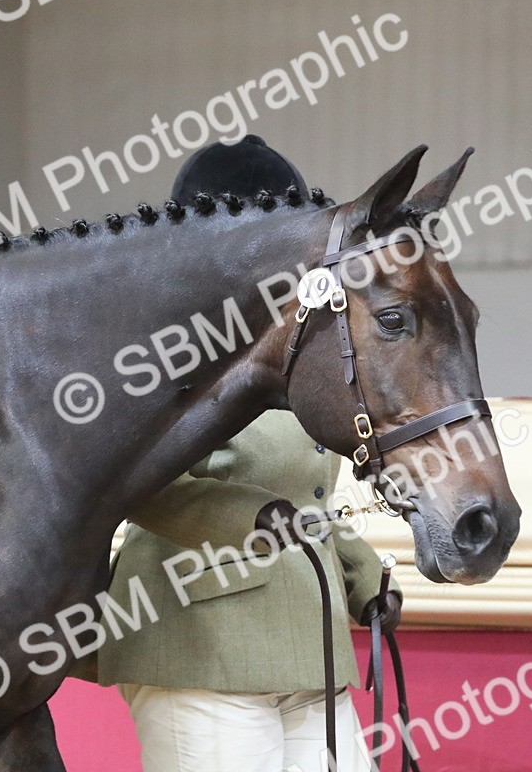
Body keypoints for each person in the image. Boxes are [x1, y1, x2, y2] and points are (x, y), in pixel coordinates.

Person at [95, 136, 402, 772]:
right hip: (200, 635)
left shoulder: (295, 346)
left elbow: (306, 497)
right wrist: (245, 518)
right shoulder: (162, 348)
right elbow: (133, 484)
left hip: (308, 641)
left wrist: (358, 571)